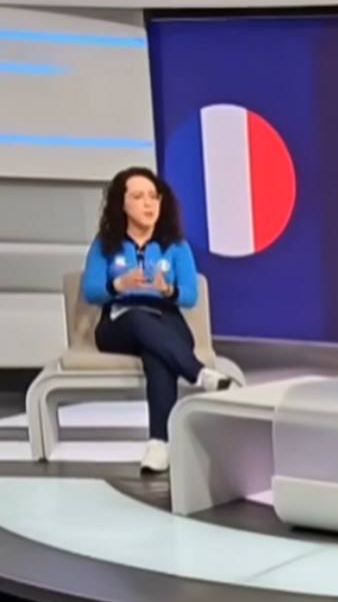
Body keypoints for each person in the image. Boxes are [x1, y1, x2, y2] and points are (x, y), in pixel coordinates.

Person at [82, 167, 235, 475]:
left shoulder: (175, 246)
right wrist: (119, 285)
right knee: (139, 319)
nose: (148, 204)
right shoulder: (105, 244)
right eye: (138, 197)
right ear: (121, 203)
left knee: (157, 354)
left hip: (166, 317)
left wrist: (168, 290)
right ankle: (198, 373)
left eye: (153, 197)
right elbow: (91, 290)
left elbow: (190, 294)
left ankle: (159, 444)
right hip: (120, 320)